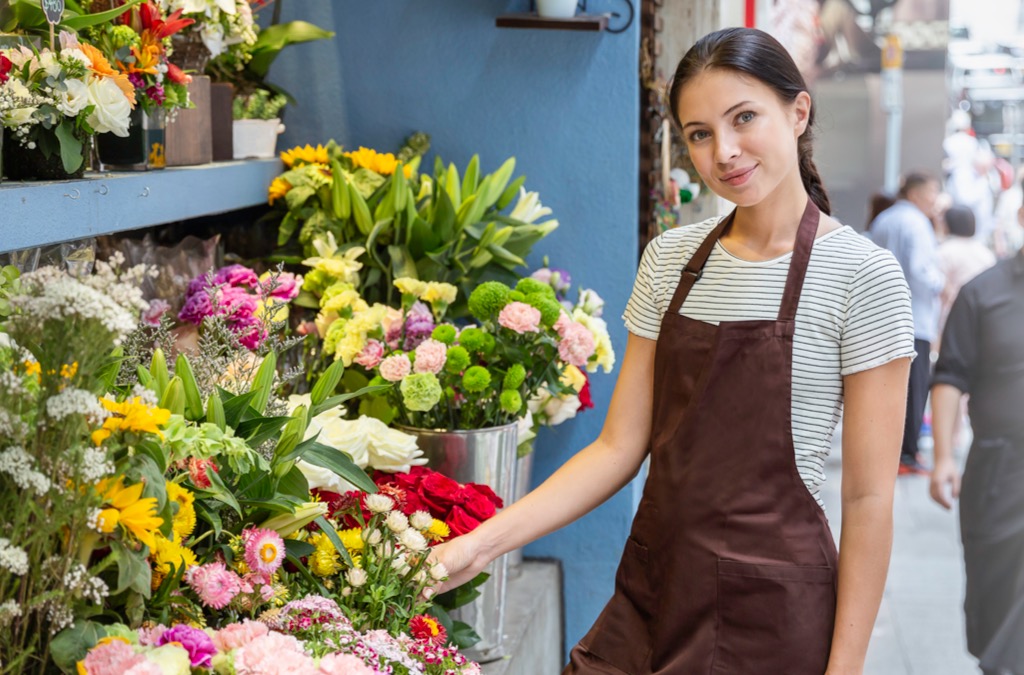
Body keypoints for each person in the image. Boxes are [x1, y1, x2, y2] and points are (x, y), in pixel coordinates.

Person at [432, 27, 914, 674]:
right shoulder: (670, 261)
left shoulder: (864, 275)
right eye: (700, 133)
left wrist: (845, 668)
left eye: (744, 118)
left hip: (774, 613)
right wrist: (480, 543)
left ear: (798, 112)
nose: (725, 152)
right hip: (655, 591)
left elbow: (867, 500)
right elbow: (618, 447)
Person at [929, 213, 1024, 674]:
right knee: (995, 602)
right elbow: (949, 375)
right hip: (1000, 473)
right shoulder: (983, 293)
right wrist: (943, 456)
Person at [869, 171, 944, 475]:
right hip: (914, 318)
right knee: (914, 390)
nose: (935, 202)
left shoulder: (883, 219)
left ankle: (885, 453)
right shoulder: (916, 223)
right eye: (931, 195)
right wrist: (943, 283)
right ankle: (907, 455)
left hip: (880, 317)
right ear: (915, 195)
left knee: (883, 388)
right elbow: (921, 270)